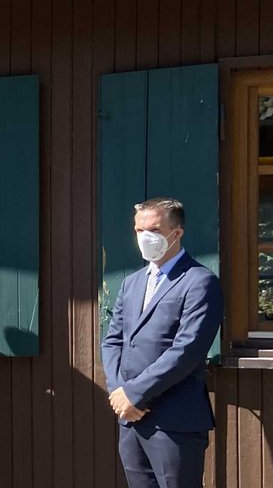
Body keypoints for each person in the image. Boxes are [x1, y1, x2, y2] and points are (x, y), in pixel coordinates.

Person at [102, 197, 223, 488]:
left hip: (175, 422)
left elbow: (187, 350)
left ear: (176, 232)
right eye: (138, 230)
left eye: (153, 229)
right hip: (130, 421)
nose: (145, 237)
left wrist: (135, 395)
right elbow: (113, 341)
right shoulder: (131, 283)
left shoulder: (199, 282)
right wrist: (120, 394)